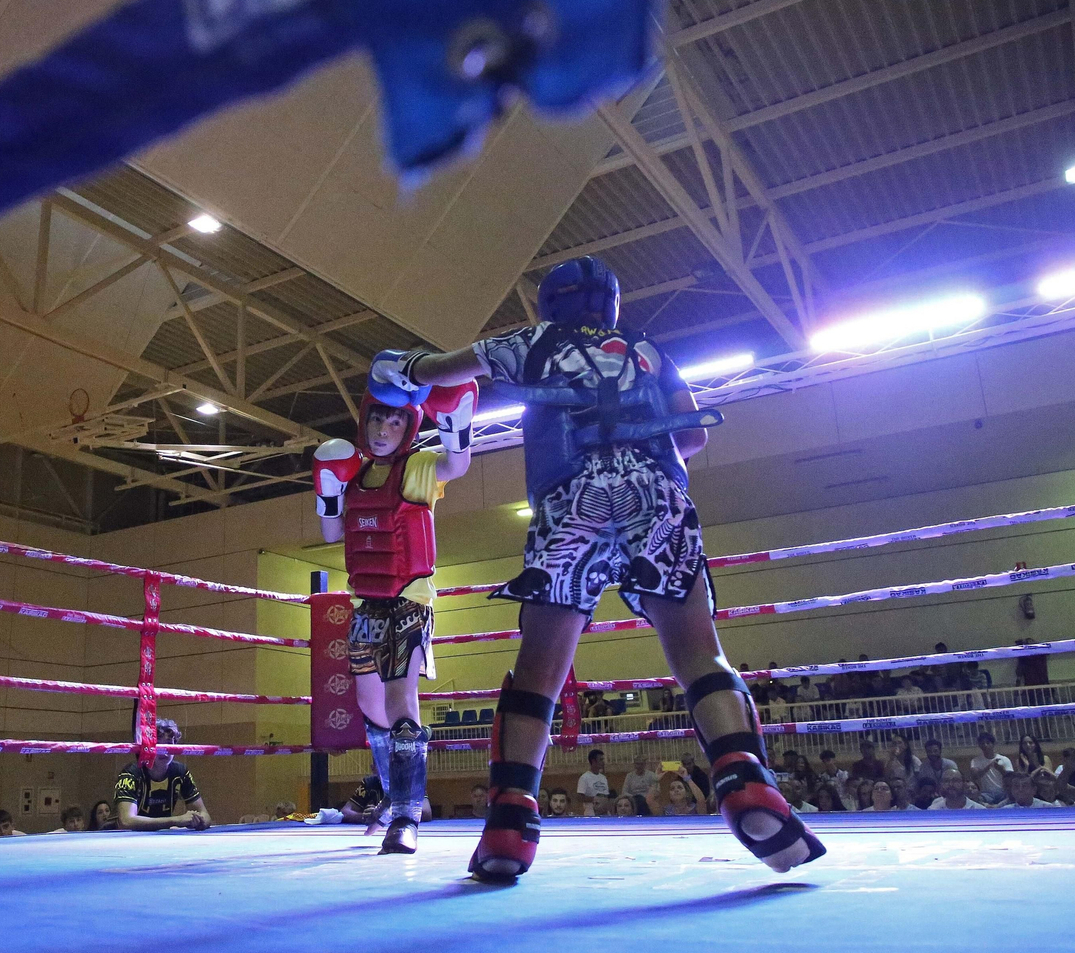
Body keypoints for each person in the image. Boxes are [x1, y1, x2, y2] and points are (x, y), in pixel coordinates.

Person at [369, 256, 824, 879]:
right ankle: (746, 782)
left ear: (547, 303)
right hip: (656, 493)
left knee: (539, 671)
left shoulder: (528, 342)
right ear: (611, 302)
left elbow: (440, 370)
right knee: (697, 654)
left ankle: (509, 822)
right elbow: (693, 436)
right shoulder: (649, 351)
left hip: (569, 498)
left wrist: (399, 368)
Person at [313, 373, 476, 855]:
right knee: (370, 706)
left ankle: (407, 815)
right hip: (366, 603)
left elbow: (458, 464)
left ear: (409, 425)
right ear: (365, 421)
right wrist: (326, 486)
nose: (384, 428)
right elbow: (329, 535)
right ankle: (394, 792)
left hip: (410, 599)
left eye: (395, 419)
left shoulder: (420, 467)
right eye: (377, 418)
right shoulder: (353, 474)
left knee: (402, 704)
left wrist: (457, 420)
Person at [114, 717, 212, 832]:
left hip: (162, 838)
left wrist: (198, 820)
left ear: (175, 746)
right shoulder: (131, 773)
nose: (163, 750)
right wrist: (176, 820)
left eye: (169, 744)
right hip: (128, 839)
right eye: (158, 745)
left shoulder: (180, 771)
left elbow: (206, 816)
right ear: (149, 747)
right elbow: (127, 821)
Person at [969, 733, 1014, 804]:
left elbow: (1011, 778)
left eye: (988, 743)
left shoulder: (1004, 759)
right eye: (982, 743)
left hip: (1003, 792)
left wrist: (1001, 769)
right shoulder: (975, 761)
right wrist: (988, 767)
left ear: (993, 744)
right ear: (979, 745)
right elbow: (975, 776)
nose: (985, 745)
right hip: (986, 793)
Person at [577, 749, 612, 816]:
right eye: (601, 760)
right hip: (591, 813)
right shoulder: (584, 778)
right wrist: (595, 799)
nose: (603, 762)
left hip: (605, 813)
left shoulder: (603, 778)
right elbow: (579, 797)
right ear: (593, 761)